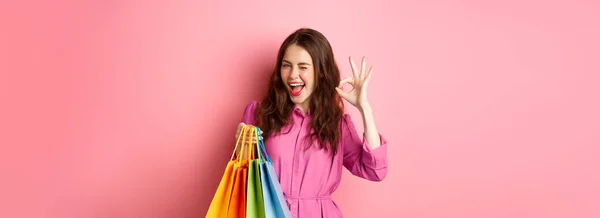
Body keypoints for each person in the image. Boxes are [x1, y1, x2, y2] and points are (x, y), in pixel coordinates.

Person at [236, 28, 388, 218]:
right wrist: (242, 147)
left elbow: (374, 171)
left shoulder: (337, 124)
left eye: (303, 66)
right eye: (286, 65)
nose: (293, 75)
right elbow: (241, 181)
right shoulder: (258, 114)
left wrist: (365, 108)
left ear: (321, 72)